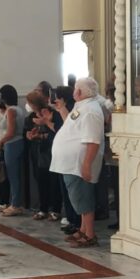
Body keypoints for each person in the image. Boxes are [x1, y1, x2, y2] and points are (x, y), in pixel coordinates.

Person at [50, 76, 106, 247]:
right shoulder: (82, 106)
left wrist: (87, 164)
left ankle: (89, 234)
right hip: (72, 163)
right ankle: (82, 229)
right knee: (77, 197)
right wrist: (61, 109)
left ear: (79, 92)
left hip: (79, 163)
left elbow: (93, 140)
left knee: (82, 197)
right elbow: (71, 126)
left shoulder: (90, 110)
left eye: (75, 88)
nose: (74, 90)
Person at [25, 88, 62, 221]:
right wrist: (30, 135)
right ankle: (43, 208)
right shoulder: (30, 117)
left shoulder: (51, 113)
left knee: (54, 181)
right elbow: (28, 130)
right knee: (41, 181)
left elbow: (56, 132)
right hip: (38, 152)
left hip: (51, 151)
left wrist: (42, 134)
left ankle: (56, 209)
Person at [52, 85, 81, 234]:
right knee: (66, 191)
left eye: (57, 97)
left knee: (73, 192)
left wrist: (62, 110)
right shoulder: (64, 109)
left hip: (72, 156)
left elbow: (70, 127)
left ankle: (76, 221)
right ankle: (71, 219)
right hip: (63, 157)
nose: (54, 100)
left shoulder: (75, 109)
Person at [0, 84, 25, 215]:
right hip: (18, 143)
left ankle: (15, 204)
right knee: (15, 175)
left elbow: (10, 132)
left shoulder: (11, 111)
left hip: (12, 144)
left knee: (13, 175)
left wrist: (1, 141)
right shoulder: (18, 109)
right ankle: (15, 202)